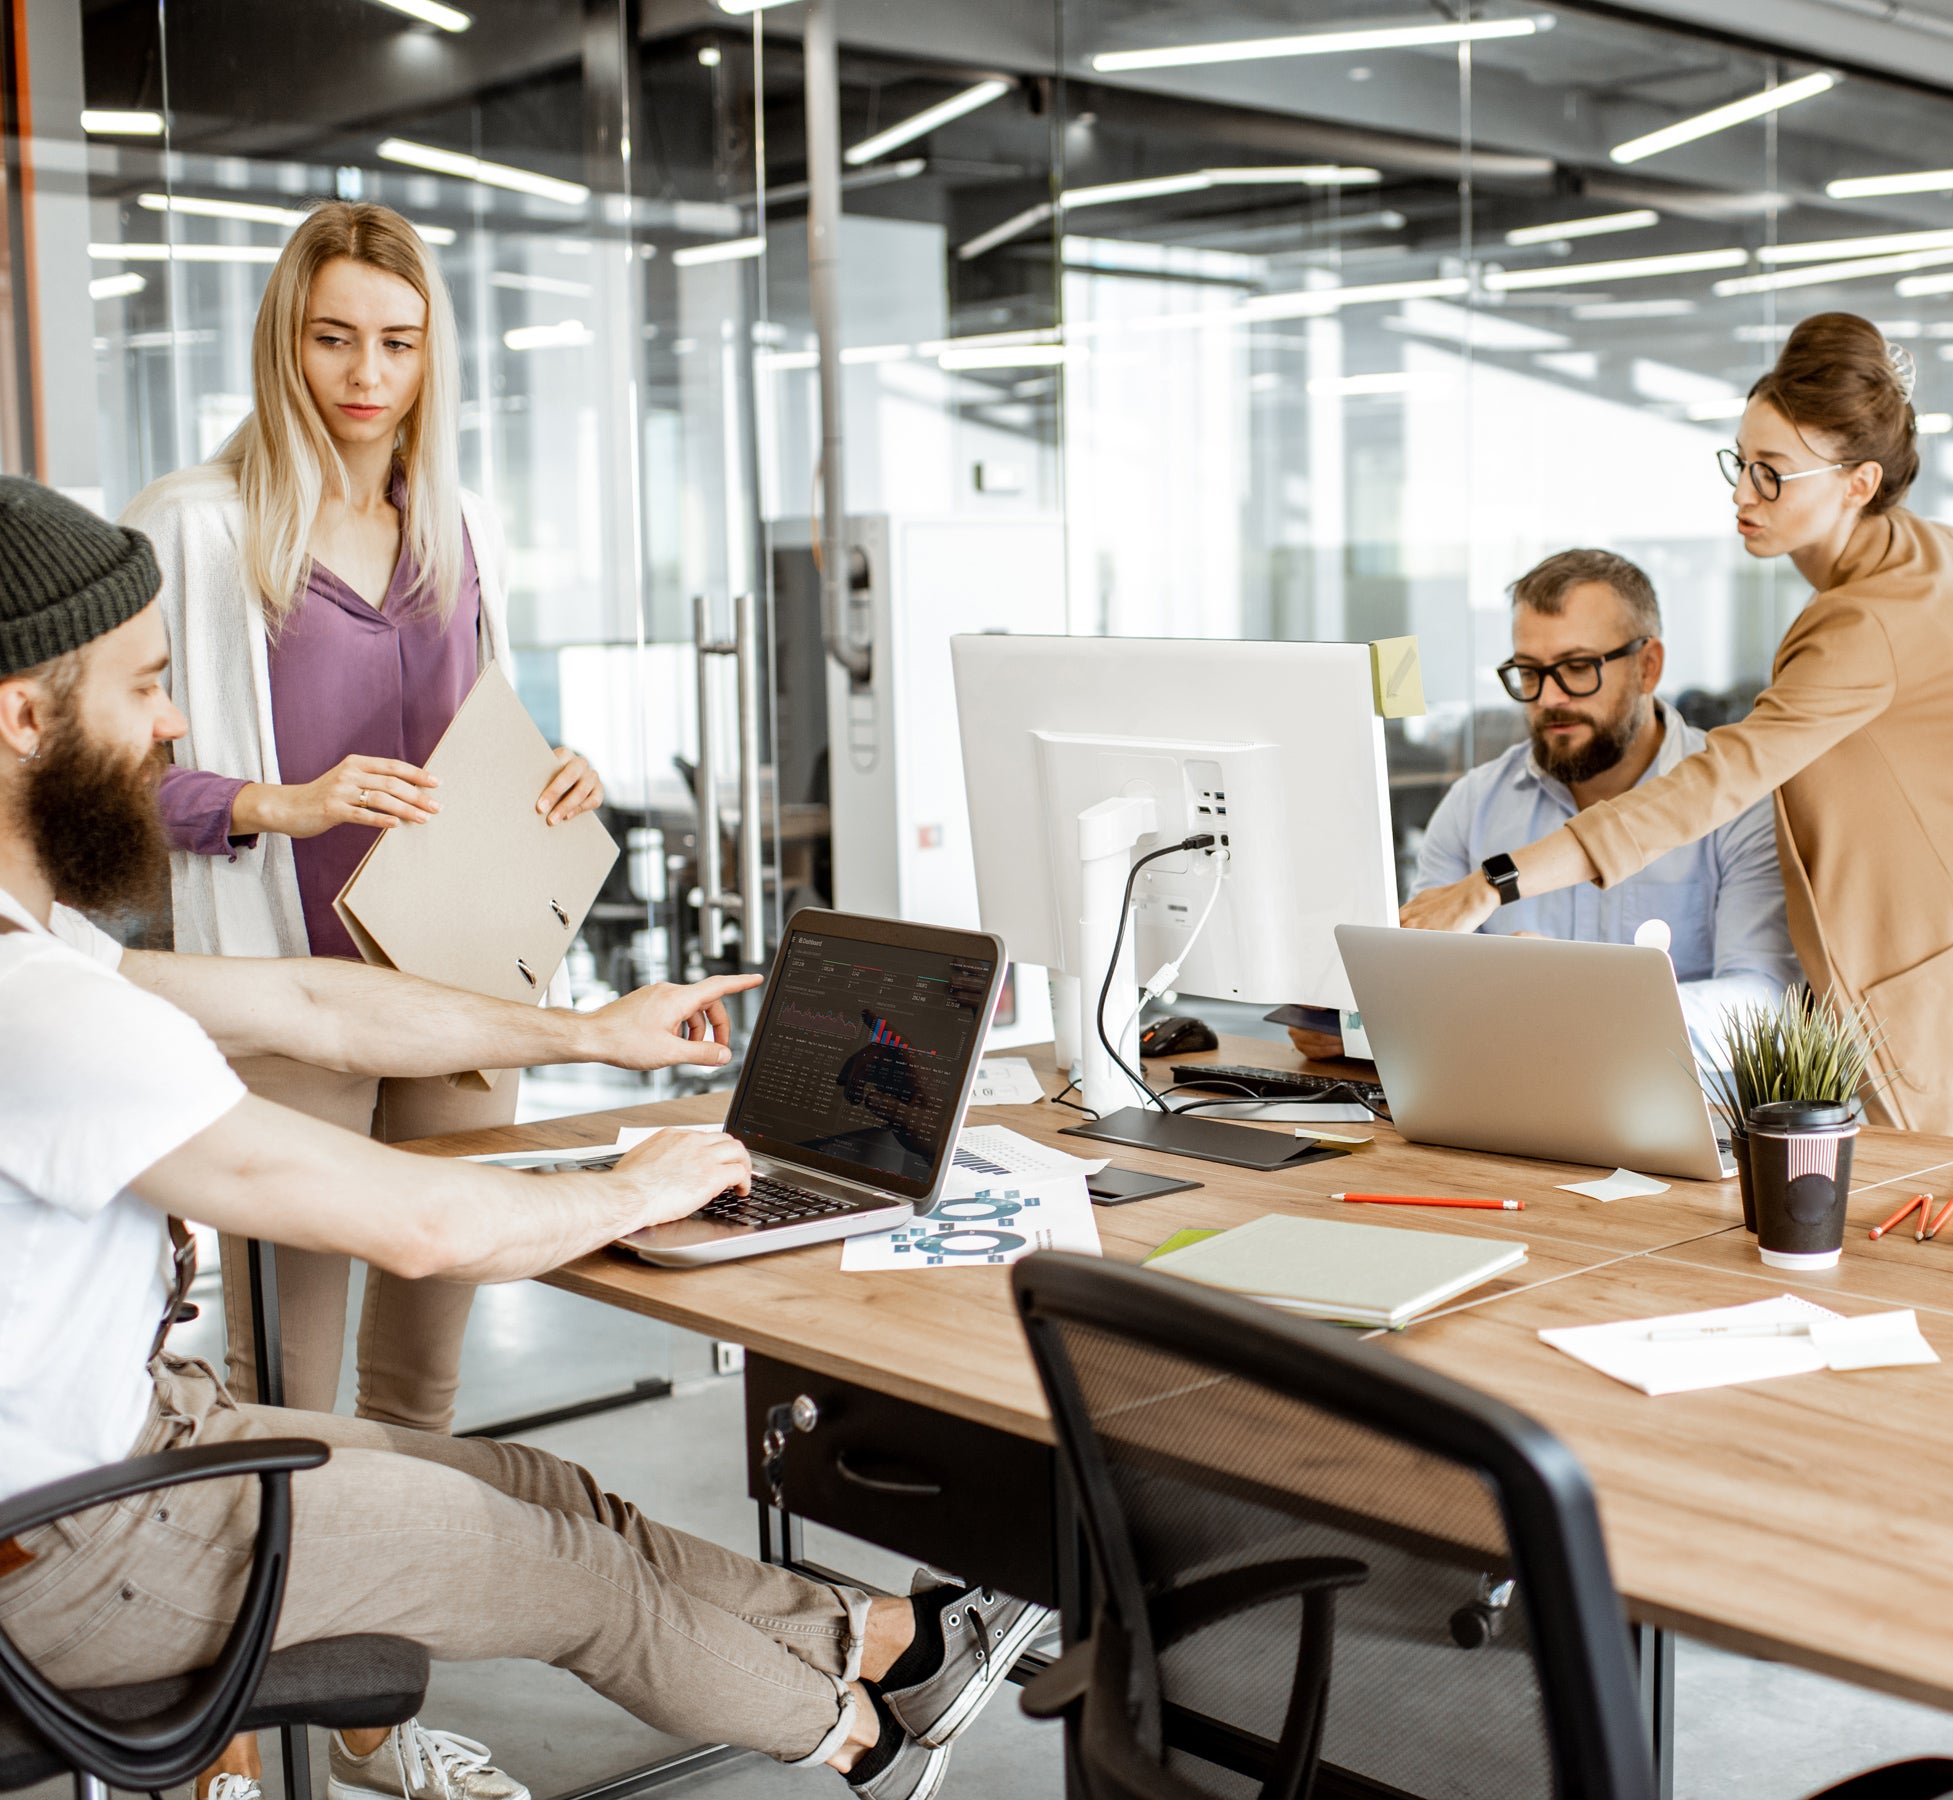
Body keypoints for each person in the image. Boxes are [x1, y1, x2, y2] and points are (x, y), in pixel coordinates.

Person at [0, 479, 1042, 1800]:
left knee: (539, 1484)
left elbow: (314, 1001)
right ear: (24, 715)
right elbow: (426, 1224)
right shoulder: (42, 1016)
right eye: (147, 685)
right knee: (579, 1581)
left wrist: (595, 1038)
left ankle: (891, 1639)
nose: (176, 724)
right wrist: (630, 1184)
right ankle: (863, 1738)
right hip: (83, 1551)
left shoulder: (46, 963)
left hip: (131, 1450)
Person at [1402, 314, 1953, 1142]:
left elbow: (1711, 784)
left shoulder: (1861, 626)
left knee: (1928, 1222)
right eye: (1740, 464)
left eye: (1772, 476)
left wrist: (1497, 883)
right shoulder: (1929, 550)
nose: (1742, 497)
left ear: (1856, 482)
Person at [124, 201, 601, 1439]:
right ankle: (283, 1623)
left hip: (457, 988)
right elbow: (111, 777)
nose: (368, 375)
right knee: (287, 1381)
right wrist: (279, 802)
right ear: (288, 341)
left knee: (424, 1384)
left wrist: (555, 773)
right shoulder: (198, 527)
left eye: (399, 341)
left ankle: (401, 1623)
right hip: (294, 1007)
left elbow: (481, 734)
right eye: (336, 338)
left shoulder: (462, 524)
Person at [1291, 548, 1799, 1067]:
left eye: (1578, 668)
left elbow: (1764, 1006)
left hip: (1685, 1118)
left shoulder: (1740, 806)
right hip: (1500, 1106)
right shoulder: (1474, 804)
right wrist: (1353, 1019)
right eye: (1530, 672)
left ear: (1649, 667)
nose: (1550, 698)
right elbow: (1421, 980)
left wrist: (1577, 1001)